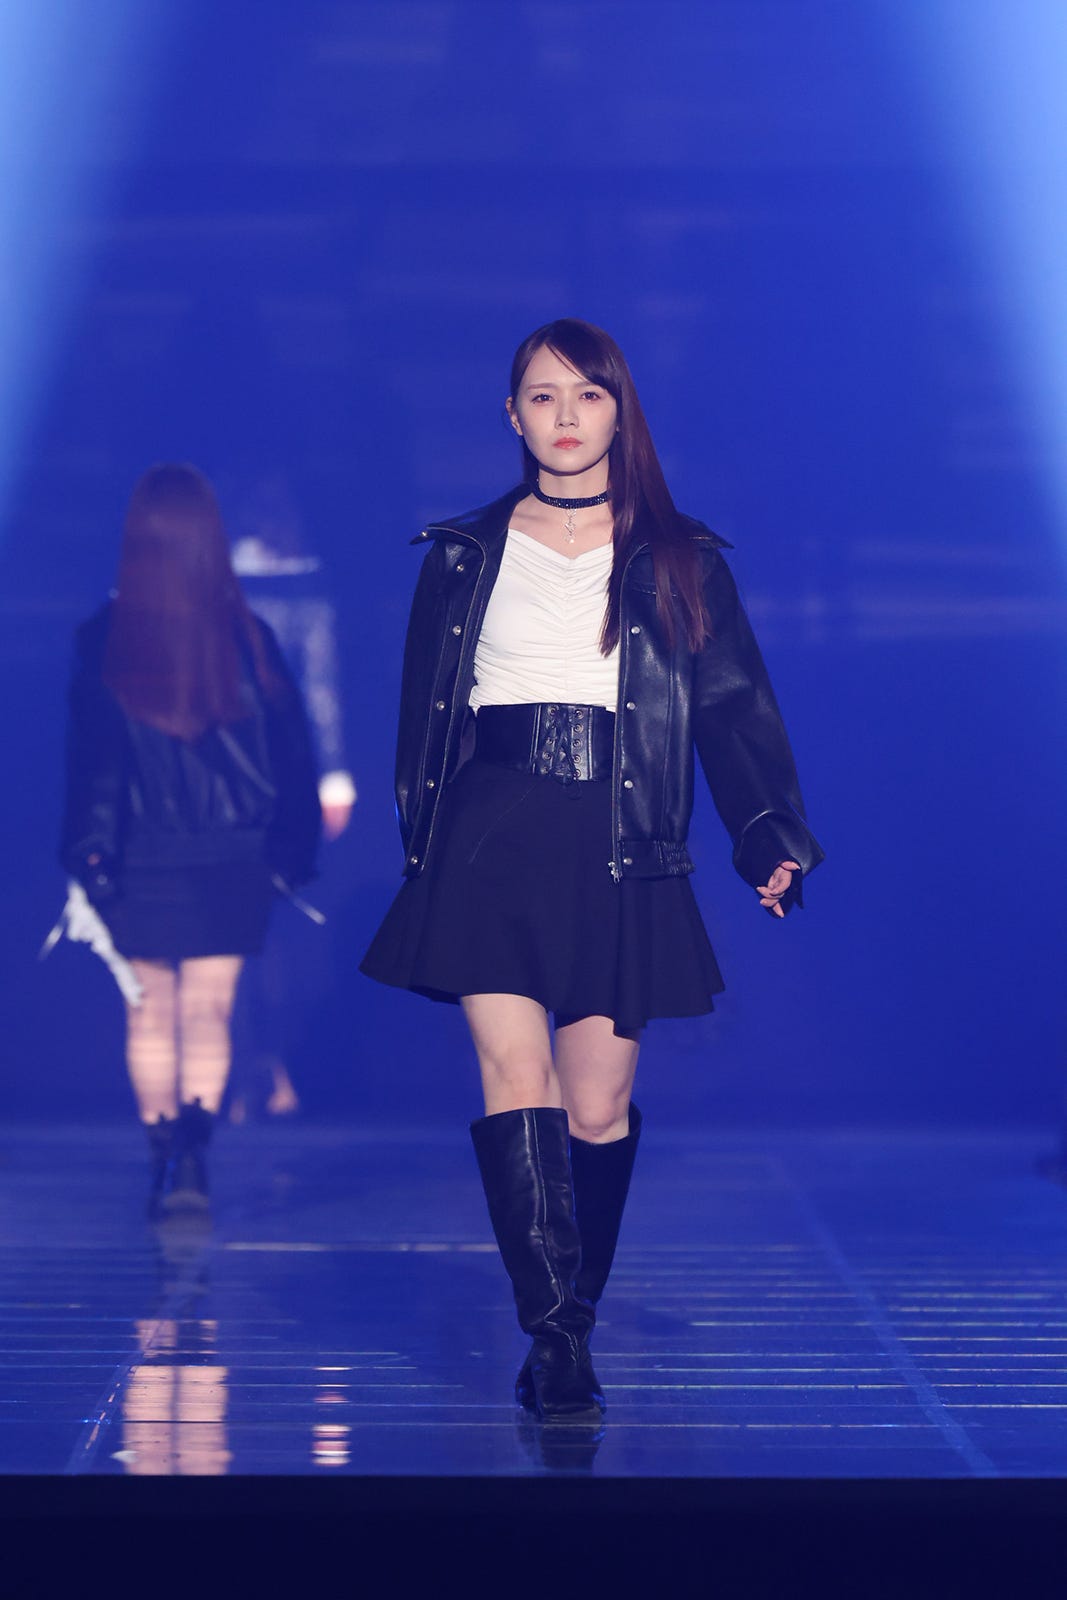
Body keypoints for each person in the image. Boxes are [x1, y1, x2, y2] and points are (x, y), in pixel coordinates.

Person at [361, 318, 824, 1424]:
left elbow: (731, 710)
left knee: (599, 1106)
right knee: (510, 1073)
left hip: (623, 837)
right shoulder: (462, 553)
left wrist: (766, 835)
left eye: (587, 395)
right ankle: (556, 1337)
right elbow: (423, 712)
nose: (564, 416)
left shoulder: (678, 556)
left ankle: (573, 1312)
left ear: (619, 411)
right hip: (490, 832)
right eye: (541, 396)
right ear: (510, 416)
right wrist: (423, 841)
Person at [59, 463, 321, 1217]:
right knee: (210, 1008)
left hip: (138, 851)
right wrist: (290, 851)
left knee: (149, 1010)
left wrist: (88, 851)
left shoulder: (103, 638)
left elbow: (93, 762)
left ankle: (162, 1159)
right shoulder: (248, 637)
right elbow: (291, 754)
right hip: (233, 855)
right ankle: (193, 1161)